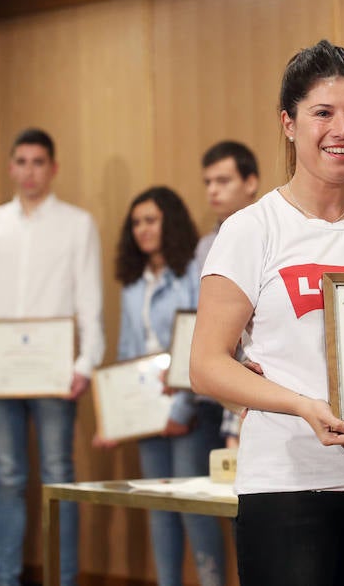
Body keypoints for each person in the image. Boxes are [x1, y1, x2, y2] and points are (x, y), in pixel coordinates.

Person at [189, 40, 344, 586]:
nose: (341, 129)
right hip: (286, 486)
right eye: (323, 113)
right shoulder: (252, 230)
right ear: (290, 124)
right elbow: (205, 364)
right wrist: (304, 406)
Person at [0, 128, 105, 586]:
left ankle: (62, 578)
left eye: (38, 162)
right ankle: (5, 579)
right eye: (21, 161)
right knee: (6, 477)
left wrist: (85, 363)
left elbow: (90, 302)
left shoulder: (77, 223)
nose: (29, 171)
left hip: (55, 375)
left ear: (53, 168)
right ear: (10, 167)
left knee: (57, 476)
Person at [110, 186, 225, 586]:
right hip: (147, 413)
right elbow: (128, 351)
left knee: (194, 509)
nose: (142, 229)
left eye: (151, 220)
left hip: (190, 408)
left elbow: (199, 340)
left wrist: (179, 412)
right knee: (158, 508)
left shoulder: (193, 272)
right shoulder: (132, 283)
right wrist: (119, 418)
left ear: (169, 222)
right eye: (136, 222)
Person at [195, 140, 260, 447]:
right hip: (206, 383)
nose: (212, 191)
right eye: (208, 182)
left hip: (254, 380)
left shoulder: (268, 232)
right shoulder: (204, 246)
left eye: (223, 181)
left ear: (251, 182)